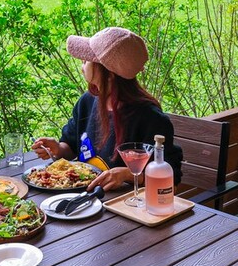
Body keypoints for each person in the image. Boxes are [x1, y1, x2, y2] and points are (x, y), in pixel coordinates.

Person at [32, 27, 183, 192]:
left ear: (110, 74)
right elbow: (71, 147)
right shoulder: (87, 101)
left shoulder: (150, 118)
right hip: (84, 199)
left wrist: (127, 174)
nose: (82, 63)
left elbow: (171, 182)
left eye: (87, 59)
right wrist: (58, 149)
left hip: (122, 207)